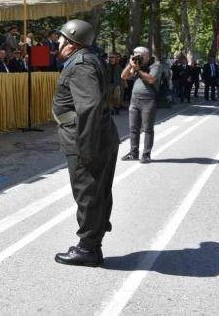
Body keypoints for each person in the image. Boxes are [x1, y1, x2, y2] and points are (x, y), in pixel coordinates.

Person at [53, 19, 119, 267]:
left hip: (87, 139)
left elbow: (89, 107)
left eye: (61, 38)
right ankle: (94, 241)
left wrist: (86, 148)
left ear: (71, 42)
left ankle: (88, 249)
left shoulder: (80, 65)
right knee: (97, 191)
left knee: (88, 193)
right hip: (100, 135)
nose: (57, 42)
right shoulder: (89, 59)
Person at [121, 47, 162, 164]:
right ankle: (133, 153)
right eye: (135, 55)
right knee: (133, 128)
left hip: (148, 101)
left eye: (140, 56)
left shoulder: (155, 65)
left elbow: (151, 79)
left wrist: (138, 69)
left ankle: (146, 154)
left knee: (148, 129)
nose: (137, 57)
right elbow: (123, 76)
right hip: (134, 100)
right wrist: (130, 65)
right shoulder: (136, 65)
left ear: (147, 56)